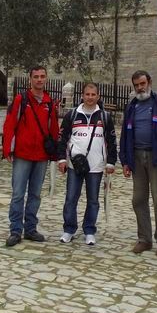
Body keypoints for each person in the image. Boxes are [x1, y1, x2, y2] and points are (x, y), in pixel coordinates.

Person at [119, 70, 157, 257]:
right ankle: (144, 239)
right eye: (136, 85)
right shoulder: (132, 106)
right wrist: (125, 160)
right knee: (138, 199)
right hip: (137, 157)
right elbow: (125, 134)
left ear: (149, 82)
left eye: (142, 84)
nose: (140, 88)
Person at [2, 66, 60, 247]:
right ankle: (15, 230)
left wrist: (55, 153)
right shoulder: (21, 99)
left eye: (42, 76)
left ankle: (30, 228)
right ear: (30, 79)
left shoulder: (49, 103)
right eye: (36, 77)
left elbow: (53, 129)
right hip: (23, 153)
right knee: (18, 193)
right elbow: (10, 123)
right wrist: (7, 149)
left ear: (46, 79)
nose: (39, 80)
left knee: (35, 194)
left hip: (41, 155)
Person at [57, 82, 117, 246]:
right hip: (74, 165)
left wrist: (111, 162)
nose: (90, 97)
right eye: (87, 94)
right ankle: (69, 229)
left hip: (96, 166)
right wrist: (62, 159)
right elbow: (62, 138)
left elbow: (111, 141)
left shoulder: (105, 117)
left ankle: (89, 230)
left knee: (93, 200)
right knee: (71, 198)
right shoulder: (72, 115)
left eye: (93, 94)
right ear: (82, 96)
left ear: (98, 96)